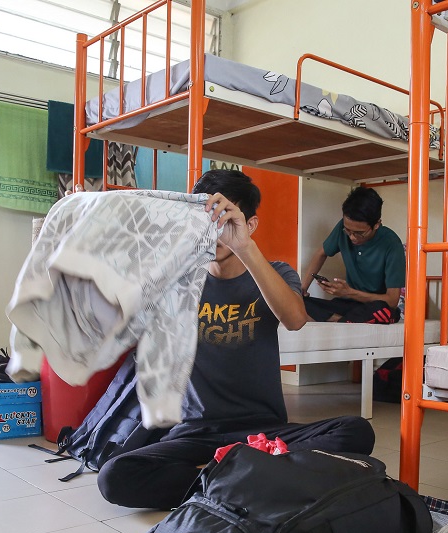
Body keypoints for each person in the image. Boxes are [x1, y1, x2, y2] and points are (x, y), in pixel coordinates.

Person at [97, 170, 376, 509]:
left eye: (224, 222)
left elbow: (296, 319)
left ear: (250, 225)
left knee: (356, 432)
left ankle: (228, 478)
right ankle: (242, 480)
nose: (211, 235)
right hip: (196, 432)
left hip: (263, 433)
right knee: (114, 476)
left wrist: (243, 247)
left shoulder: (276, 273)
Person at [300, 187, 405, 324]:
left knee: (382, 309)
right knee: (296, 303)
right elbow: (321, 253)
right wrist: (302, 289)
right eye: (348, 231)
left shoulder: (391, 244)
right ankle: (341, 320)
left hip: (372, 305)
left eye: (359, 233)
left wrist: (349, 292)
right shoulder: (342, 229)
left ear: (377, 224)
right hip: (347, 304)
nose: (352, 238)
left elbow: (392, 300)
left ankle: (336, 318)